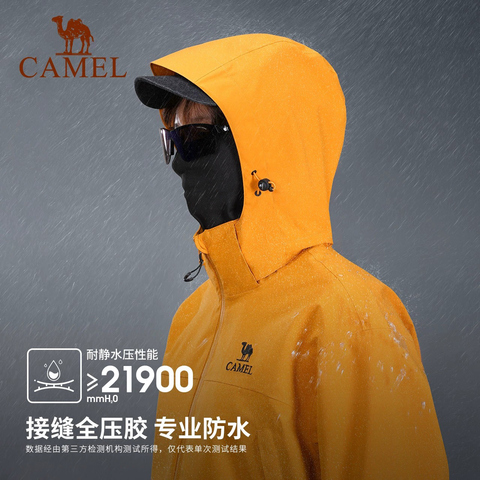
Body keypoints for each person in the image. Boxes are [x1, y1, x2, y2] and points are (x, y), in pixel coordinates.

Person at [134, 34, 449, 480]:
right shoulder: (191, 320)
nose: (179, 163)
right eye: (172, 140)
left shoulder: (351, 319)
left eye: (196, 138)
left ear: (268, 148)